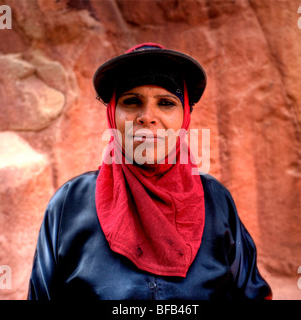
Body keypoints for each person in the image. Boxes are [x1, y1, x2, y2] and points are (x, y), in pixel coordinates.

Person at [27, 43, 272, 300]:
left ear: (185, 116)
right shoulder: (70, 203)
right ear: (112, 115)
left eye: (166, 103)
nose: (147, 116)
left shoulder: (216, 201)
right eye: (131, 102)